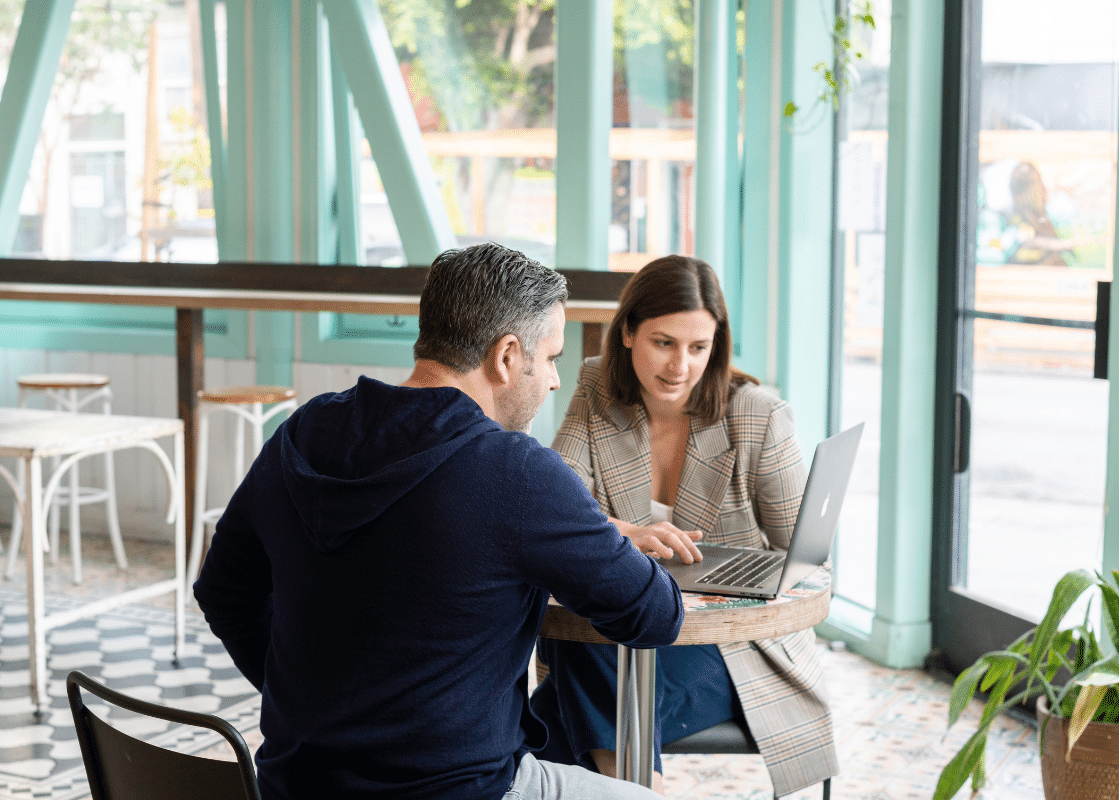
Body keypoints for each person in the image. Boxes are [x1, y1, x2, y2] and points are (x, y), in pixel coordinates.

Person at [193, 242, 684, 800]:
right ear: (505, 356)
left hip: (296, 786)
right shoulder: (517, 472)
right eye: (549, 358)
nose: (553, 380)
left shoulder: (302, 433)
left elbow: (222, 589)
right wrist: (600, 533)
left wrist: (314, 711)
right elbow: (654, 615)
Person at [530, 255, 838, 797]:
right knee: (593, 648)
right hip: (622, 631)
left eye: (700, 348)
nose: (680, 367)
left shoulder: (758, 416)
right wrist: (621, 532)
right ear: (627, 332)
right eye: (664, 343)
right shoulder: (598, 386)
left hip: (730, 648)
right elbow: (558, 506)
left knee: (537, 721)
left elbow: (809, 561)